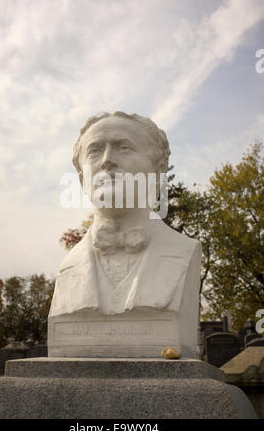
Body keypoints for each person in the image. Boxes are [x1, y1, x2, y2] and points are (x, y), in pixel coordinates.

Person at [49, 111, 201, 317]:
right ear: (81, 178)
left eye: (123, 147)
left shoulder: (183, 253)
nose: (106, 161)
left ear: (159, 170)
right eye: (95, 150)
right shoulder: (68, 267)